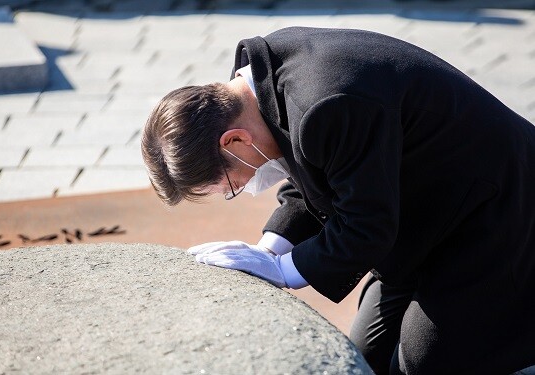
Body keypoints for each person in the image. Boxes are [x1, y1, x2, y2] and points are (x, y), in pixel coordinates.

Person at [141, 27, 535, 374]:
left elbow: (366, 227)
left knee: (424, 365)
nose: (240, 188)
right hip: (422, 210)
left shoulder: (325, 105)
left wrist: (282, 270)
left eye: (228, 183)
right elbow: (314, 177)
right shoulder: (252, 92)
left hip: (495, 209)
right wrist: (268, 247)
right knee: (363, 356)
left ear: (234, 140)